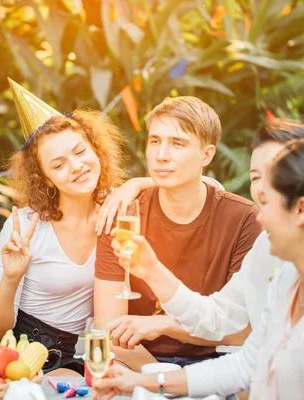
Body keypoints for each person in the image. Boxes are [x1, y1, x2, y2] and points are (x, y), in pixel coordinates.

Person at [94, 139, 304, 399]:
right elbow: (246, 363)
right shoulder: (288, 284)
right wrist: (138, 381)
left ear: (302, 210)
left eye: (266, 203)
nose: (259, 218)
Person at [0, 79, 151, 376]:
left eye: (80, 151)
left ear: (95, 150)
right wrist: (11, 278)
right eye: (59, 165)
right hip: (5, 351)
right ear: (45, 178)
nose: (76, 166)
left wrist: (138, 183)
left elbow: (203, 185)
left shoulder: (118, 211)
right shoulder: (26, 225)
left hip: (61, 353)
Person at [94, 96, 262, 371]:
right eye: (155, 141)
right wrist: (159, 377)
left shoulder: (244, 219)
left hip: (217, 364)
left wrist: (164, 326)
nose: (161, 155)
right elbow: (108, 331)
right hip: (138, 363)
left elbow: (240, 330)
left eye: (177, 144)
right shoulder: (123, 215)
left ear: (206, 155)